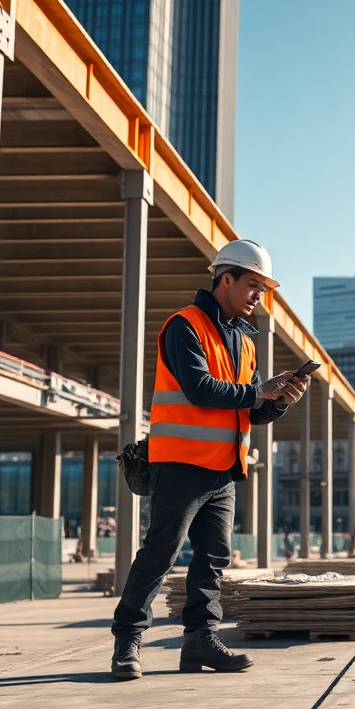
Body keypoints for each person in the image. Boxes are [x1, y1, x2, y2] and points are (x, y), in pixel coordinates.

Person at [110, 240, 309, 680]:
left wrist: (279, 401)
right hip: (180, 464)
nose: (259, 295)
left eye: (263, 287)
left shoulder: (245, 341)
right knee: (161, 553)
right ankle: (127, 640)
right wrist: (261, 391)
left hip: (223, 470)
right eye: (253, 285)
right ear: (226, 279)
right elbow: (201, 390)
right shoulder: (185, 325)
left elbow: (249, 411)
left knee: (214, 557)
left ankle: (200, 639)